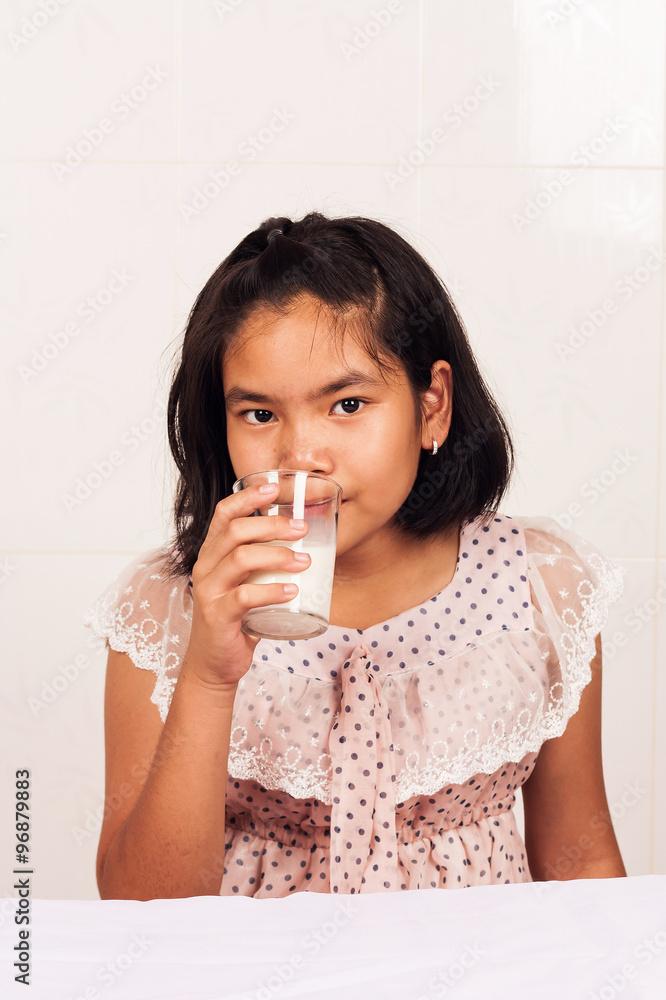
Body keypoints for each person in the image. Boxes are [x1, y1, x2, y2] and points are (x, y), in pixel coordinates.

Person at [84, 211, 627, 900]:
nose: (301, 455)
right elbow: (139, 908)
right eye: (259, 414)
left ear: (432, 405)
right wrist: (208, 678)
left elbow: (580, 867)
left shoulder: (540, 586)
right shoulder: (166, 607)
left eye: (346, 404)